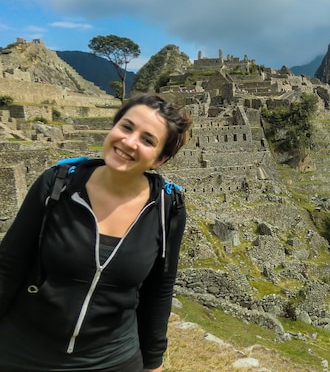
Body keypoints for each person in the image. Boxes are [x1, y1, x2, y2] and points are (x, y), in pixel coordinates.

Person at [0, 93, 193, 371]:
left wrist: (153, 363)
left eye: (147, 140)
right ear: (113, 127)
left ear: (159, 160)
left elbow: (159, 291)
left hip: (112, 359)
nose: (129, 142)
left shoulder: (166, 207)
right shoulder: (57, 186)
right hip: (24, 352)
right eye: (126, 127)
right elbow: (8, 267)